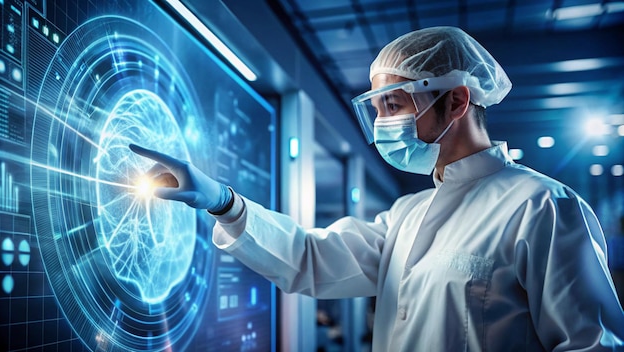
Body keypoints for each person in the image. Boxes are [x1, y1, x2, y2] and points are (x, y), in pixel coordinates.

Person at [130, 26, 624, 351]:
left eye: (395, 105)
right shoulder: (407, 215)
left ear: (456, 101)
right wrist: (223, 202)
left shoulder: (542, 206)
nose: (385, 123)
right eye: (379, 109)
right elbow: (309, 259)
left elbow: (591, 345)